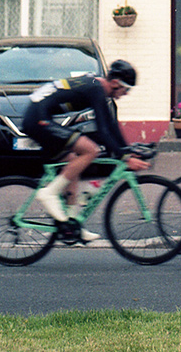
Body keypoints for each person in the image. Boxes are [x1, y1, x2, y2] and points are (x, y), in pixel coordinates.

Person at [25, 59, 147, 242]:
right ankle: (48, 193)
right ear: (115, 83)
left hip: (39, 116)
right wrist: (125, 157)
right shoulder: (96, 89)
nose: (126, 94)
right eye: (126, 89)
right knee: (91, 150)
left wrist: (127, 151)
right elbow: (103, 131)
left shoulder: (97, 87)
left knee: (73, 162)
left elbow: (112, 125)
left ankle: (72, 224)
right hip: (38, 119)